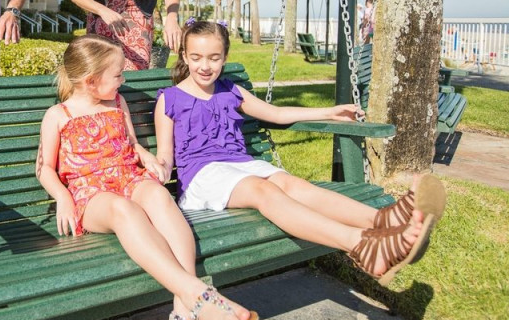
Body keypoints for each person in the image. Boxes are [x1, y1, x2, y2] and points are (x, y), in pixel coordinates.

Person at [154, 20, 447, 286]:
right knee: (263, 190)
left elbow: (277, 113)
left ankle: (385, 221)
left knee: (292, 184)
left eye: (214, 58)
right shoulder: (170, 98)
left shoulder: (230, 90)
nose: (205, 66)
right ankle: (361, 246)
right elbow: (166, 155)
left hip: (240, 166)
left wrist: (331, 112)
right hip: (202, 178)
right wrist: (159, 169)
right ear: (184, 56)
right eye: (196, 58)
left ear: (225, 58)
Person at [36, 35, 257, 320]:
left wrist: (146, 156)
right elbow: (44, 168)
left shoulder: (117, 102)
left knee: (157, 194)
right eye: (117, 74)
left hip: (128, 177)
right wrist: (63, 197)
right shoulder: (58, 115)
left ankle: (183, 305)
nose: (122, 79)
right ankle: (198, 294)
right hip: (89, 195)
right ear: (91, 81)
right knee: (123, 209)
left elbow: (130, 142)